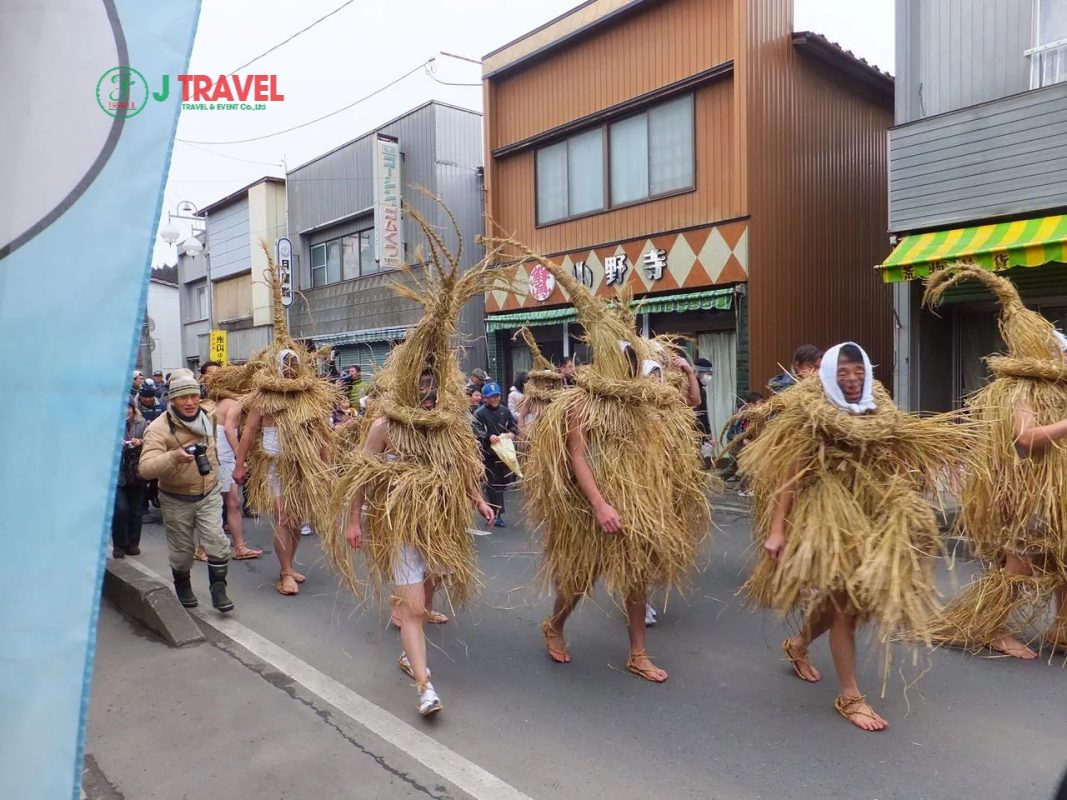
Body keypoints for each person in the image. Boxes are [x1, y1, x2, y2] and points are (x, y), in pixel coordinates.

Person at [496, 243, 711, 684]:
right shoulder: (584, 403)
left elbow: (684, 413)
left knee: (636, 574)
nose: (631, 368)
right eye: (626, 360)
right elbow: (577, 454)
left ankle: (637, 652)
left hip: (636, 497)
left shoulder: (645, 400)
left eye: (635, 362)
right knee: (579, 576)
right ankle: (555, 624)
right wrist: (599, 504)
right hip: (593, 501)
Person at [735, 343, 971, 731]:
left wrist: (907, 504)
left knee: (846, 604)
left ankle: (797, 644)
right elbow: (791, 477)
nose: (851, 378)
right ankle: (850, 696)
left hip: (874, 513)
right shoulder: (815, 416)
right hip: (831, 517)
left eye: (857, 371)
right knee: (846, 604)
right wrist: (777, 530)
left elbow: (896, 462)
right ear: (829, 374)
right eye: (843, 372)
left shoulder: (881, 412)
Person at [326, 207, 498, 717]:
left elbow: (461, 468)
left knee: (432, 585)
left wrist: (478, 501)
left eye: (432, 382)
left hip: (439, 522)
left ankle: (408, 632)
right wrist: (354, 520)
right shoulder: (383, 425)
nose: (427, 391)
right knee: (417, 608)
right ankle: (424, 684)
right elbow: (360, 474)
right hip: (399, 524)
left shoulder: (447, 424)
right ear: (408, 383)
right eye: (419, 383)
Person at [923, 265, 1067, 658]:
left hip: (1051, 496)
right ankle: (993, 629)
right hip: (1026, 496)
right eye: (1062, 349)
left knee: (1063, 560)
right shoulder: (1021, 391)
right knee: (1018, 568)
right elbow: (1025, 437)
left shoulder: (1054, 390)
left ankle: (1062, 628)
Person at [234, 251, 334, 597]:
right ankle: (286, 571)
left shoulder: (309, 397)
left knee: (297, 519)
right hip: (277, 466)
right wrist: (240, 464)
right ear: (278, 368)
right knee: (284, 517)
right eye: (286, 365)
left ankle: (290, 564)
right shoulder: (265, 399)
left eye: (295, 365)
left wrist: (324, 464)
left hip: (303, 467)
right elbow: (249, 430)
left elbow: (321, 432)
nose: (291, 370)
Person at [137, 369, 235, 612]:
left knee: (217, 542)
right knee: (182, 554)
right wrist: (173, 457)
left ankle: (218, 589)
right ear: (172, 399)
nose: (190, 402)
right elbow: (146, 469)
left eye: (193, 396)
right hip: (175, 498)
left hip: (209, 492)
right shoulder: (159, 428)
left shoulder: (209, 414)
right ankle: (182, 584)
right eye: (183, 397)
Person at [204, 363, 263, 560]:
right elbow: (229, 429)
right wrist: (241, 455)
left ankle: (239, 547)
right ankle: (203, 548)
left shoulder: (215, 402)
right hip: (222, 457)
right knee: (220, 502)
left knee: (232, 502)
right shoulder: (233, 403)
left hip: (221, 456)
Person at [473, 382, 518, 527]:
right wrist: (487, 436)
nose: (495, 399)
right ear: (485, 398)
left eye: (497, 396)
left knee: (501, 483)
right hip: (487, 453)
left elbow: (513, 426)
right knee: (492, 483)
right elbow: (475, 430)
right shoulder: (479, 413)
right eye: (492, 397)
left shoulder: (504, 411)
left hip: (503, 453)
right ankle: (495, 513)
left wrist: (512, 433)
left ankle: (494, 510)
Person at [111, 397, 147, 559]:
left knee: (136, 511)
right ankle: (119, 544)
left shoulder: (141, 423)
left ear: (134, 408)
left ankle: (133, 543)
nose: (126, 410)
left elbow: (152, 441)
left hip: (135, 472)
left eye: (129, 407)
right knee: (121, 509)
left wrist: (140, 442)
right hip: (116, 473)